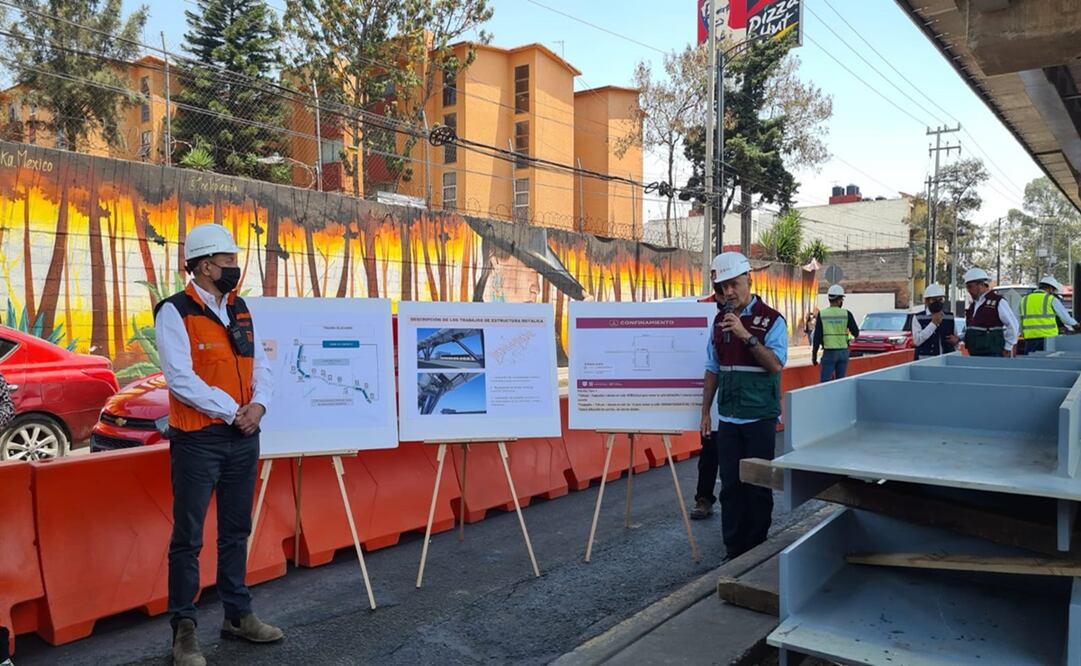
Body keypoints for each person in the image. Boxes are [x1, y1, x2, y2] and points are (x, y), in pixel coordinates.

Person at [154, 224, 282, 666]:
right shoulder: (175, 312)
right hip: (199, 440)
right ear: (205, 266)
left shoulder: (239, 308)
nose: (234, 268)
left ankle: (237, 614)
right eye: (227, 261)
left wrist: (259, 406)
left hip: (244, 436)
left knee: (235, 531)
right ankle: (184, 631)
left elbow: (260, 363)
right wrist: (233, 411)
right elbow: (180, 379)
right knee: (188, 537)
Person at [699, 252, 787, 561]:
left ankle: (757, 549)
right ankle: (734, 550)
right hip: (729, 419)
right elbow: (713, 368)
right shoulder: (718, 322)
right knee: (731, 486)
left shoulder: (772, 320)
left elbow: (775, 365)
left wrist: (745, 335)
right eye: (722, 288)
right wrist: (705, 412)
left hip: (760, 417)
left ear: (749, 279)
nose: (728, 293)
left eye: (734, 285)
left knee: (757, 486)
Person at [962, 267, 1019, 357]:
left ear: (980, 284)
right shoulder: (973, 305)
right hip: (975, 353)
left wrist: (1008, 347)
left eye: (970, 287)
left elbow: (1013, 325)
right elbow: (972, 329)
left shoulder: (997, 301)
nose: (968, 290)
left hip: (993, 352)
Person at [1018, 276, 1081, 354]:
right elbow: (1065, 318)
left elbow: (1019, 319)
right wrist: (1076, 325)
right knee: (1047, 363)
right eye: (1053, 290)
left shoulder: (1024, 299)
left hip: (1029, 339)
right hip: (1048, 340)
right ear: (1050, 288)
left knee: (1032, 364)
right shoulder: (1050, 299)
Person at [811, 285, 859, 382]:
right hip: (843, 352)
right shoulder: (846, 313)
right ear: (839, 300)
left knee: (825, 382)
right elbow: (856, 333)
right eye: (841, 299)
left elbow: (817, 337)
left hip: (829, 352)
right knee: (840, 382)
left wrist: (814, 355)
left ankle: (827, 397)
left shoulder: (822, 314)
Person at [911, 284, 959, 358]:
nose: (938, 302)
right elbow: (917, 341)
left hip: (947, 360)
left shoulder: (949, 317)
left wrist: (956, 340)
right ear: (927, 301)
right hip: (925, 361)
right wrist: (933, 324)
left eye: (940, 299)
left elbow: (955, 338)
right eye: (934, 300)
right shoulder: (918, 318)